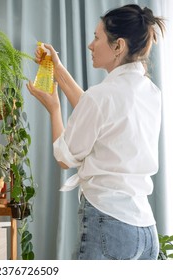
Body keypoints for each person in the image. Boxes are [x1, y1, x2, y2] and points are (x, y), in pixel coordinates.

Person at [26, 4, 165, 260]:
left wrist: (54, 108)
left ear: (118, 46)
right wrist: (57, 67)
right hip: (145, 230)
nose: (91, 45)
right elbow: (98, 116)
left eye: (97, 37)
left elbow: (64, 157)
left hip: (108, 223)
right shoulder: (149, 92)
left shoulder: (102, 96)